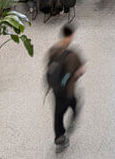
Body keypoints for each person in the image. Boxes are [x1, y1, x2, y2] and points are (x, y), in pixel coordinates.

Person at [46, 24, 85, 153]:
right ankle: (72, 119)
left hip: (56, 90)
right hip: (67, 90)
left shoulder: (52, 50)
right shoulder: (72, 55)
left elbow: (48, 68)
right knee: (73, 103)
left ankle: (59, 137)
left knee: (58, 114)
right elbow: (80, 71)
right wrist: (72, 77)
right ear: (70, 36)